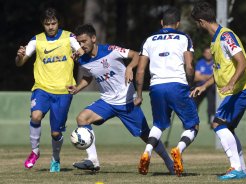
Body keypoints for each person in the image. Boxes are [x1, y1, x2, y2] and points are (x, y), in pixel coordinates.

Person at [68, 24, 174, 174]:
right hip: (107, 101)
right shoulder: (83, 60)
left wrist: (130, 67)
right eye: (79, 42)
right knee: (82, 119)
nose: (81, 45)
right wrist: (77, 88)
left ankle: (169, 163)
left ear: (93, 38)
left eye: (84, 41)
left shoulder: (110, 50)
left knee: (146, 135)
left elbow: (137, 55)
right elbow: (88, 77)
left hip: (127, 101)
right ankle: (93, 161)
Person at [190, 2, 246, 180]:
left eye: (197, 23)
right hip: (236, 91)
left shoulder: (226, 36)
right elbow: (219, 70)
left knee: (218, 124)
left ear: (202, 21)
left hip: (242, 90)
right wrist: (204, 85)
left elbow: (241, 62)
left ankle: (235, 168)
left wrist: (232, 83)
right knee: (229, 129)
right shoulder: (215, 41)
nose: (197, 26)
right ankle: (241, 169)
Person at [15, 8, 84, 172]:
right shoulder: (37, 40)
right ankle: (34, 151)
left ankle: (55, 158)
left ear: (58, 23)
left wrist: (79, 53)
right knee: (36, 115)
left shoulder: (69, 37)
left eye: (53, 23)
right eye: (47, 24)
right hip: (42, 88)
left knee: (55, 133)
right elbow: (20, 62)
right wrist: (19, 56)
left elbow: (81, 49)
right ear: (43, 25)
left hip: (63, 91)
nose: (51, 27)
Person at [135, 7, 200, 177]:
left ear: (162, 23)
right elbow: (190, 66)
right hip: (177, 85)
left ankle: (147, 151)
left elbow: (140, 71)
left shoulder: (149, 40)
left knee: (158, 125)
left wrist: (139, 94)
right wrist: (190, 84)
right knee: (193, 125)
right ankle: (178, 149)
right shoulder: (184, 38)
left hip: (156, 87)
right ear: (177, 24)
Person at [194, 47, 215, 127]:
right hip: (200, 86)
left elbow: (216, 77)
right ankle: (192, 119)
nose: (208, 54)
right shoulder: (200, 63)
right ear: (204, 54)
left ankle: (212, 119)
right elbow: (196, 77)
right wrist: (209, 77)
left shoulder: (215, 63)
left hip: (211, 87)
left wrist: (202, 76)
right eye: (206, 52)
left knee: (212, 102)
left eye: (210, 52)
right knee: (194, 101)